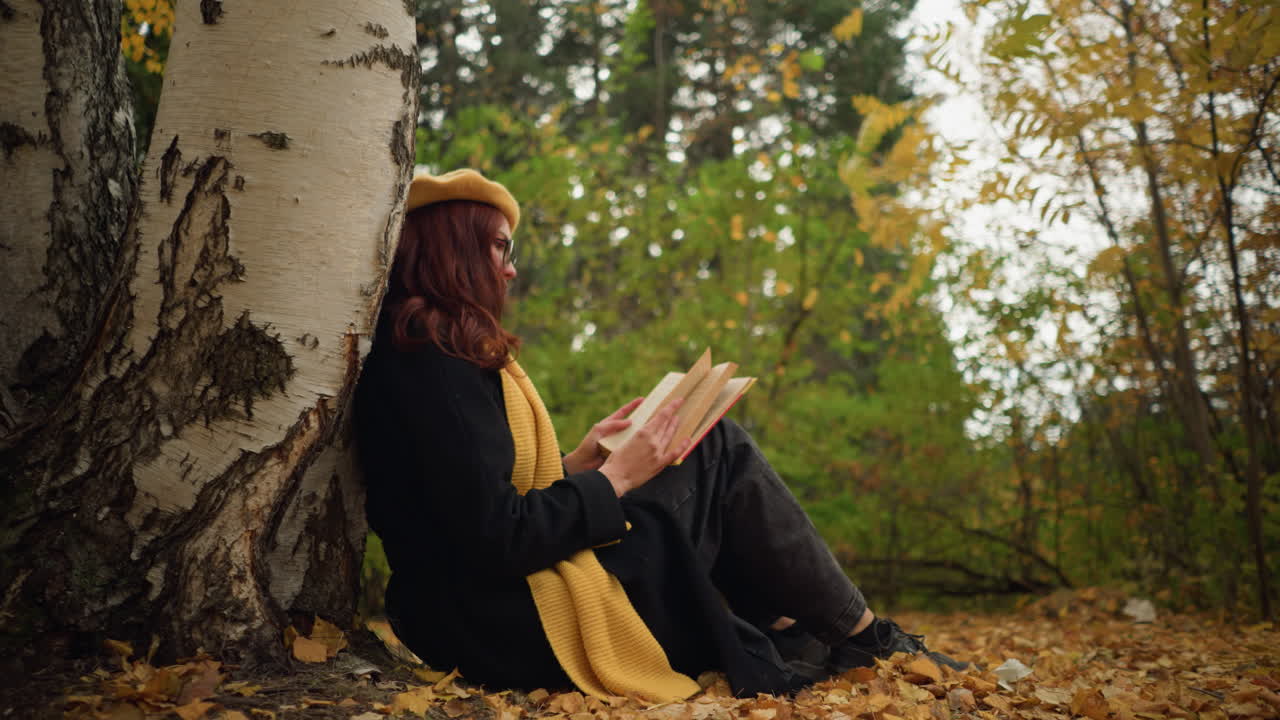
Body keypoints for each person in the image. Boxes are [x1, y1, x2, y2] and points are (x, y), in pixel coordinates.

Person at [354, 169, 965, 701]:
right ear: (451, 248)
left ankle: (803, 634)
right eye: (498, 247)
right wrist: (616, 478)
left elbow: (472, 501)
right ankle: (861, 639)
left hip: (482, 604)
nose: (510, 268)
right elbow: (493, 537)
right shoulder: (427, 360)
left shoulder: (433, 352)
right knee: (718, 450)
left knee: (707, 449)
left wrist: (580, 460)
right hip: (496, 618)